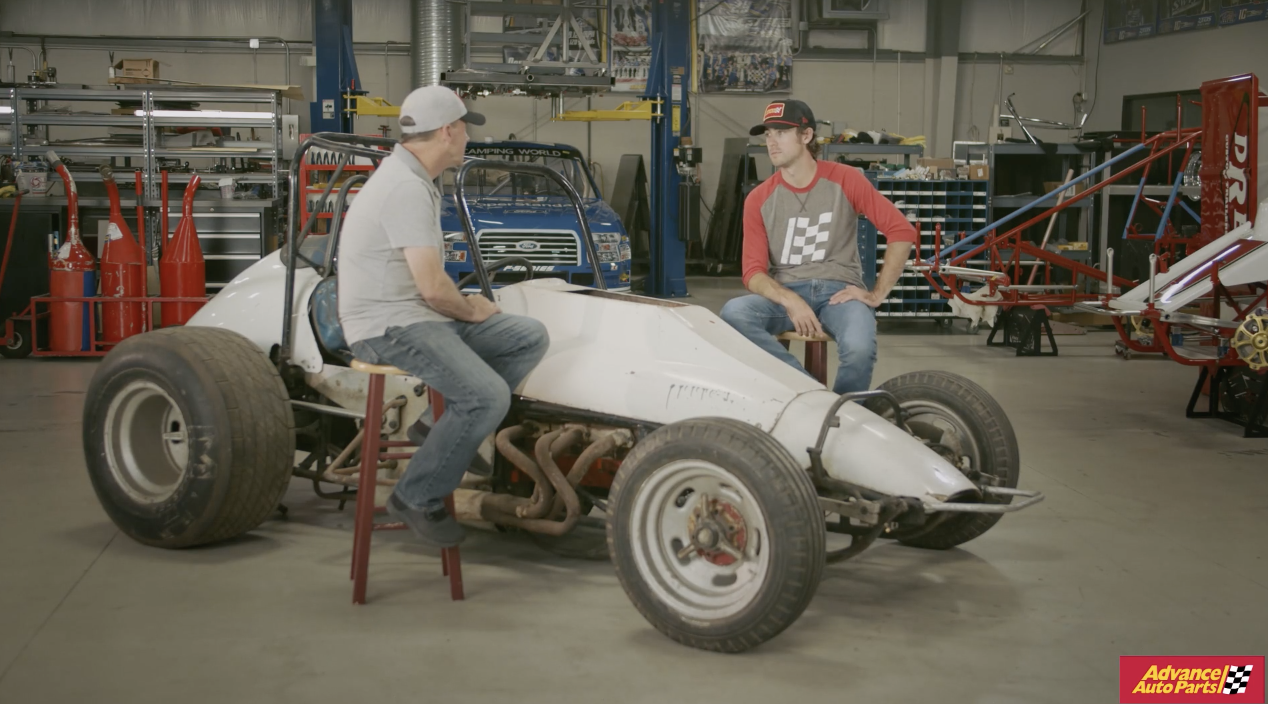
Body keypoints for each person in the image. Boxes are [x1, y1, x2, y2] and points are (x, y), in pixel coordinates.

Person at [337, 85, 550, 548]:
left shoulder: (415, 180)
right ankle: (417, 495)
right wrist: (471, 310)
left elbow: (430, 289)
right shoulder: (405, 188)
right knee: (486, 396)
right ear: (449, 132)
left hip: (415, 314)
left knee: (526, 336)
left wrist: (469, 312)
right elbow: (434, 289)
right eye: (465, 130)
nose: (468, 140)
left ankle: (436, 430)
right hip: (386, 325)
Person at [719, 100, 917, 394]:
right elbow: (753, 272)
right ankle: (816, 399)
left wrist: (877, 294)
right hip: (786, 292)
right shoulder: (759, 199)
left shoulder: (845, 179)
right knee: (733, 314)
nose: (771, 142)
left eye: (781, 133)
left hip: (840, 293)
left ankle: (843, 415)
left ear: (806, 135)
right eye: (768, 134)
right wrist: (789, 300)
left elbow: (902, 231)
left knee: (860, 348)